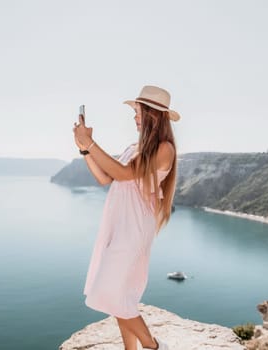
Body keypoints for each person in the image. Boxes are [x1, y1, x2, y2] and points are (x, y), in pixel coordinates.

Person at [73, 85, 180, 350]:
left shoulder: (165, 149)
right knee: (119, 296)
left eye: (137, 112)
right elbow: (105, 177)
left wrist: (90, 143)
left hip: (133, 230)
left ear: (153, 115)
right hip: (119, 226)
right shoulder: (134, 147)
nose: (134, 117)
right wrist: (84, 149)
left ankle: (154, 347)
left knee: (110, 292)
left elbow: (123, 173)